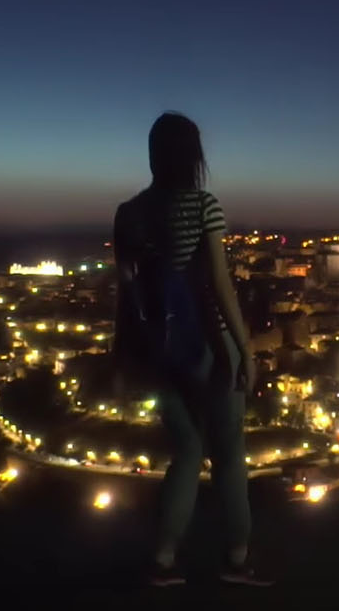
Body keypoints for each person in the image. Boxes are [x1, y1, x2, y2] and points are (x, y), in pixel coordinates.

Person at [112, 112, 269, 587]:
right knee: (228, 453)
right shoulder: (204, 206)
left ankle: (163, 560)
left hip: (159, 347)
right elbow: (219, 283)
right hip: (209, 344)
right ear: (195, 156)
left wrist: (122, 358)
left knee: (184, 451)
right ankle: (236, 559)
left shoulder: (129, 213)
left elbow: (125, 292)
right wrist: (245, 348)